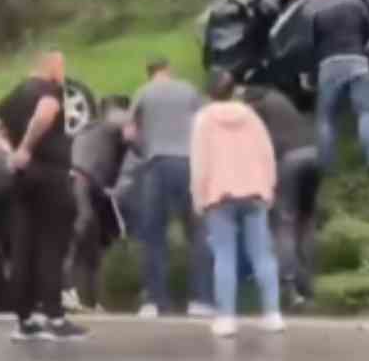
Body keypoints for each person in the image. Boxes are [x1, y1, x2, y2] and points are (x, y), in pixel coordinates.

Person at [0, 51, 87, 342]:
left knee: (24, 246)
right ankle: (55, 318)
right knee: (51, 246)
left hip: (22, 179)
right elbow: (45, 112)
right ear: (50, 66)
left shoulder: (16, 93)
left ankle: (25, 319)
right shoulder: (51, 90)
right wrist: (25, 147)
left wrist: (9, 152)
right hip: (51, 176)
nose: (64, 70)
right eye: (61, 64)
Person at [191, 68, 284, 337]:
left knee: (224, 256)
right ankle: (273, 314)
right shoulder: (251, 117)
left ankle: (227, 318)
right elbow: (267, 154)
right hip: (254, 192)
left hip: (220, 196)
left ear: (209, 93)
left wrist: (199, 197)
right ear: (233, 90)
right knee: (262, 254)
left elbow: (200, 164)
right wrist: (268, 188)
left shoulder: (203, 120)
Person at [126, 56, 214, 318]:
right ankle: (201, 300)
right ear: (169, 70)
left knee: (154, 235)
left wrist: (143, 151)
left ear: (150, 74)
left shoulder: (143, 92)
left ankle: (155, 301)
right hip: (190, 165)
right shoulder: (188, 89)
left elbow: (129, 133)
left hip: (157, 165)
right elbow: (206, 122)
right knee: (198, 232)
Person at [239, 84, 321, 308]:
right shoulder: (279, 99)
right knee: (306, 223)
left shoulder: (256, 107)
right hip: (313, 155)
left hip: (290, 160)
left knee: (284, 223)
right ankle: (309, 288)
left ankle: (290, 286)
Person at [301, 0, 369, 170]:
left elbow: (310, 46)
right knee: (365, 112)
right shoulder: (354, 1)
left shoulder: (310, 11)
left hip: (330, 65)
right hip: (358, 60)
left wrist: (309, 75)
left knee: (326, 118)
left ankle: (327, 166)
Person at [64, 95, 133, 312]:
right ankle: (66, 289)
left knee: (94, 247)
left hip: (87, 188)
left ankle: (90, 301)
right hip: (80, 183)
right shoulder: (107, 128)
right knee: (83, 230)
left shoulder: (92, 131)